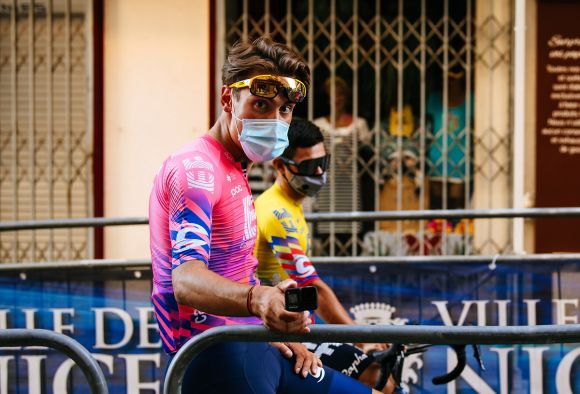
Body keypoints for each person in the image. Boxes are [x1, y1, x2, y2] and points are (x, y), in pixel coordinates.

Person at [149, 36, 380, 393]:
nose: (274, 120)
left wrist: (273, 318)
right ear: (229, 99)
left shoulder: (234, 165)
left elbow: (235, 268)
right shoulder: (196, 169)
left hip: (252, 342)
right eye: (260, 105)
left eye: (284, 110)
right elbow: (186, 280)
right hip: (215, 356)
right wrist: (258, 301)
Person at [254, 118, 395, 393]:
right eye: (308, 166)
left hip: (298, 327)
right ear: (280, 166)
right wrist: (358, 336)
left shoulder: (291, 204)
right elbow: (312, 285)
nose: (319, 171)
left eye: (323, 162)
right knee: (377, 379)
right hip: (277, 335)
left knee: (379, 376)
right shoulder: (275, 212)